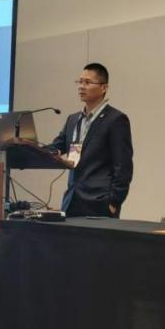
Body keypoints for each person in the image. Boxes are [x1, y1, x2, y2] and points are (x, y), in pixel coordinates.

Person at [49, 63, 134, 217]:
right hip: (72, 200)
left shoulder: (116, 119)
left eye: (87, 82)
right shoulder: (73, 119)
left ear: (103, 88)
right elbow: (56, 147)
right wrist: (28, 146)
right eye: (80, 82)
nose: (81, 86)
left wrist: (114, 202)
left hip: (100, 202)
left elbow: (123, 166)